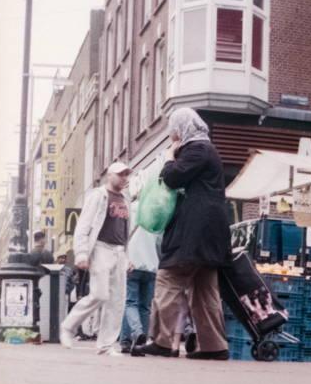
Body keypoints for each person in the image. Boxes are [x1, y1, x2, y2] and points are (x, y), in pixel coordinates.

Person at [143, 108, 232, 360]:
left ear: (183, 128)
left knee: (168, 278)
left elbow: (172, 178)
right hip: (210, 233)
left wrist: (169, 157)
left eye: (173, 127)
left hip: (193, 231)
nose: (171, 133)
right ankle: (215, 347)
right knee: (204, 289)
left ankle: (161, 342)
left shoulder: (197, 149)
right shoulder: (207, 149)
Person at [61, 163, 134, 355]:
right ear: (109, 175)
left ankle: (106, 345)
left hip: (119, 251)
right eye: (120, 174)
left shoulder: (126, 198)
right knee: (100, 294)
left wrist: (128, 257)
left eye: (126, 175)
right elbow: (83, 225)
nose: (124, 178)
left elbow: (126, 231)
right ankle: (68, 327)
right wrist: (81, 253)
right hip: (101, 248)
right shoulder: (98, 195)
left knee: (117, 300)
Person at [120, 222, 159, 352]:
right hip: (151, 267)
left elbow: (122, 239)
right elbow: (160, 244)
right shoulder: (157, 218)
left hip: (132, 265)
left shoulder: (131, 213)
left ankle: (132, 336)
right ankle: (140, 344)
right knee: (145, 307)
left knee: (130, 303)